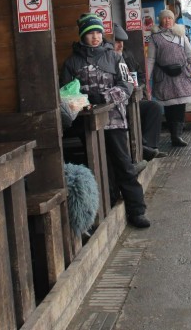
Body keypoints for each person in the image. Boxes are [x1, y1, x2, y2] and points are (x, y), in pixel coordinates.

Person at [61, 14, 150, 228]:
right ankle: (105, 208)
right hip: (88, 124)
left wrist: (105, 98)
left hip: (115, 120)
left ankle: (136, 210)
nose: (95, 37)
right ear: (83, 35)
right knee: (97, 164)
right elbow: (65, 93)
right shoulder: (72, 62)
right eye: (90, 33)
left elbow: (127, 85)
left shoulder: (115, 57)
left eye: (98, 32)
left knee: (123, 164)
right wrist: (83, 101)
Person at [146, 10, 191, 148]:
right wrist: (147, 78)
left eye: (170, 18)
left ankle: (178, 135)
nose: (167, 21)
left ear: (173, 20)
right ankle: (174, 135)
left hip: (181, 76)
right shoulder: (155, 38)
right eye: (164, 18)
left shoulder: (181, 36)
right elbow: (151, 59)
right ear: (160, 21)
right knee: (169, 106)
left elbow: (190, 55)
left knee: (180, 105)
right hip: (164, 76)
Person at [112, 23, 167, 161]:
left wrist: (139, 85)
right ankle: (142, 149)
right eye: (116, 42)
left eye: (122, 42)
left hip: (132, 99)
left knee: (154, 107)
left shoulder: (127, 56)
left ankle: (149, 147)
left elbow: (141, 75)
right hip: (116, 104)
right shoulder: (106, 60)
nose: (120, 45)